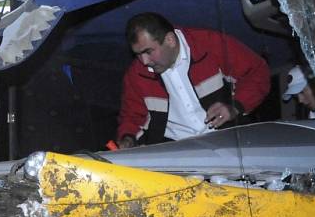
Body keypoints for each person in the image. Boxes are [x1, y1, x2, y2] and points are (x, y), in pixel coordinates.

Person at [116, 12, 270, 148]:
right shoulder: (135, 75)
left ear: (170, 40)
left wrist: (235, 106)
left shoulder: (210, 44)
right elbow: (132, 116)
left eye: (148, 52)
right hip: (177, 153)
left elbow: (258, 72)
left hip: (230, 142)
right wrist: (128, 137)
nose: (144, 61)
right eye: (138, 54)